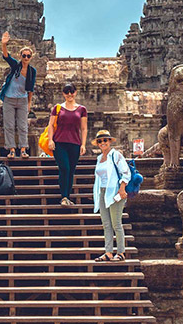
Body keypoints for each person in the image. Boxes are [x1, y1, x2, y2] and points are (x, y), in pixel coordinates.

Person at [46, 83, 88, 206]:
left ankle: (67, 196)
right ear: (63, 94)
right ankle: (64, 196)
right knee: (64, 168)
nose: (69, 94)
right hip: (59, 142)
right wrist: (50, 140)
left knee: (71, 171)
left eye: (72, 91)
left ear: (75, 92)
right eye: (66, 92)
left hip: (75, 142)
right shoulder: (58, 108)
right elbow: (51, 125)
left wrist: (83, 144)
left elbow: (84, 128)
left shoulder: (82, 109)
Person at [91, 130, 130, 262]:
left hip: (115, 192)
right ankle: (108, 252)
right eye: (100, 141)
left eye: (105, 140)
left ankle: (121, 252)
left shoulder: (116, 155)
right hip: (102, 192)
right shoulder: (99, 158)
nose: (102, 143)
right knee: (106, 224)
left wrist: (122, 188)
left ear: (109, 142)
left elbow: (125, 172)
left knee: (116, 224)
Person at [0, 31, 36, 159]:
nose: (25, 58)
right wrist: (3, 44)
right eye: (24, 55)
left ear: (31, 57)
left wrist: (29, 104)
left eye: (28, 56)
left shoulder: (32, 71)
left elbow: (30, 89)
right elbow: (6, 56)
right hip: (9, 98)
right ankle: (12, 150)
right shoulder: (15, 66)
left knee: (23, 125)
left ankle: (23, 149)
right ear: (20, 56)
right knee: (9, 125)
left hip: (23, 100)